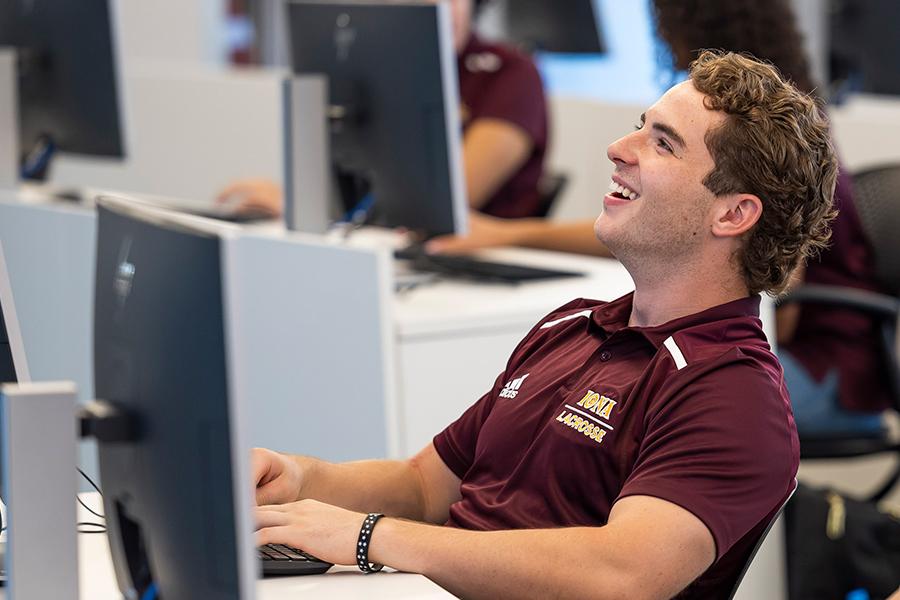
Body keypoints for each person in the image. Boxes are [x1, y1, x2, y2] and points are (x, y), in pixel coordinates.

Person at [252, 50, 835, 599]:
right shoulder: (573, 326)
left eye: (663, 144)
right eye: (640, 125)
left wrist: (366, 537)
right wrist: (300, 479)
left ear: (732, 214)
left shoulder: (731, 391)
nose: (618, 147)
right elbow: (425, 487)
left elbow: (622, 575)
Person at [430, 0, 889, 436]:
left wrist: (515, 235)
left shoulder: (764, 137)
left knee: (615, 403)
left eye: (664, 144)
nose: (618, 150)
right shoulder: (745, 120)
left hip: (823, 368)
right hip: (772, 351)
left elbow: (782, 303)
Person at [219, 0, 548, 220]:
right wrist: (302, 203)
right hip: (385, 250)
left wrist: (305, 209)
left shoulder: (510, 73)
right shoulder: (373, 67)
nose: (441, 10)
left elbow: (442, 207)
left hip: (481, 267)